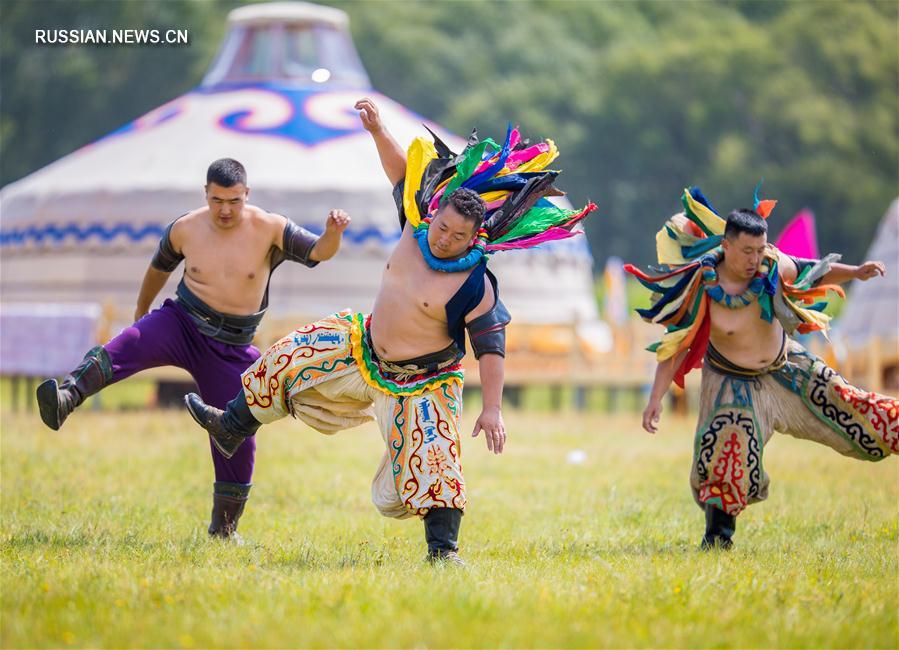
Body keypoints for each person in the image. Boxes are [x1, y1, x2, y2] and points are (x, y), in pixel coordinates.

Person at [183, 98, 596, 564]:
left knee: (437, 460)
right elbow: (401, 173)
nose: (444, 240)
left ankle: (443, 552)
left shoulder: (475, 284)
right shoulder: (415, 221)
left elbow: (491, 350)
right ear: (434, 216)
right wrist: (378, 129)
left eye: (458, 237)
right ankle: (231, 426)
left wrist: (494, 410)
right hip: (365, 348)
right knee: (288, 353)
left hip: (423, 382)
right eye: (442, 228)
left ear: (474, 238)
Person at [36, 158, 350, 538]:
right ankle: (67, 397)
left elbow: (319, 252)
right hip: (182, 322)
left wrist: (333, 232)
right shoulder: (185, 228)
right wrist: (141, 313)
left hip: (233, 346)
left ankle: (224, 529)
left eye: (234, 200)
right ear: (206, 194)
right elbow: (157, 269)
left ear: (246, 195)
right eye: (217, 200)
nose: (225, 210)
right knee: (127, 344)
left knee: (235, 436)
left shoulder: (270, 227)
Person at [628, 187, 896, 550]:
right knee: (728, 448)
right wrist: (655, 399)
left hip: (786, 368)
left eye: (759, 249)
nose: (755, 258)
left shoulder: (772, 264)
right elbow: (676, 345)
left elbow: (812, 272)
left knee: (854, 404)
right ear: (726, 245)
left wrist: (857, 272)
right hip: (731, 381)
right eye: (746, 251)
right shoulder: (701, 287)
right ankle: (717, 539)